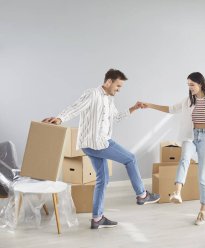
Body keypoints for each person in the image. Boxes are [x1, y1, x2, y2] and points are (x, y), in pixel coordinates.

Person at [42, 69, 160, 229]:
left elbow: (116, 118)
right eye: (118, 86)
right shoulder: (92, 94)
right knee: (130, 158)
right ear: (109, 82)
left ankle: (97, 218)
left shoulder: (110, 100)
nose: (119, 90)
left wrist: (134, 108)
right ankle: (142, 195)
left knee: (102, 179)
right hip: (98, 143)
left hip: (90, 145)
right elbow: (75, 107)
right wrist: (60, 118)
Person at [139, 72, 205, 225]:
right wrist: (150, 105)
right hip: (191, 136)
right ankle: (177, 193)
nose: (190, 87)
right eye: (188, 85)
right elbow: (170, 109)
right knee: (184, 159)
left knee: (203, 175)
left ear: (200, 84)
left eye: (192, 84)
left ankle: (203, 210)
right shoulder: (188, 101)